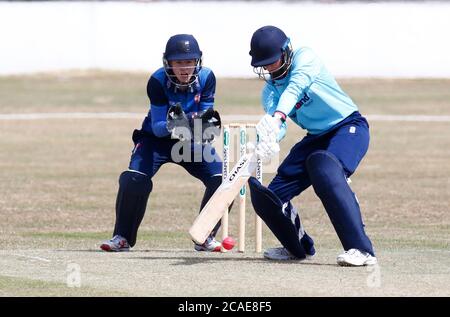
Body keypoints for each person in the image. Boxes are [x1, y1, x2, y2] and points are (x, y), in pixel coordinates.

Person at [248, 25, 377, 266]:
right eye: (264, 65)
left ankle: (362, 250)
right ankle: (297, 247)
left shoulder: (305, 58)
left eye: (272, 61)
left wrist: (277, 117)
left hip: (348, 127)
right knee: (269, 198)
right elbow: (281, 126)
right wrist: (269, 137)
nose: (269, 68)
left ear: (286, 51)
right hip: (315, 136)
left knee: (324, 167)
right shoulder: (269, 93)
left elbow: (295, 89)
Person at [100, 34, 225, 252]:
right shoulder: (157, 81)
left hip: (188, 141)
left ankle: (205, 236)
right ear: (168, 63)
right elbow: (158, 127)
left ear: (198, 61)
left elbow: (207, 121)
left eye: (189, 61)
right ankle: (122, 237)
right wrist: (174, 125)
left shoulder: (207, 78)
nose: (185, 68)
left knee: (223, 180)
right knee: (134, 180)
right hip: (155, 140)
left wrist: (193, 126)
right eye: (178, 62)